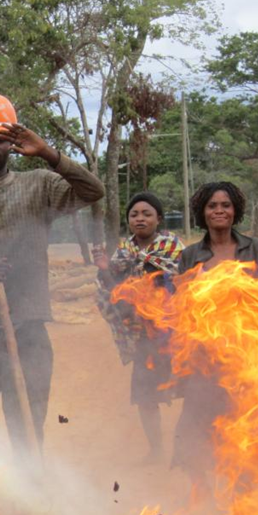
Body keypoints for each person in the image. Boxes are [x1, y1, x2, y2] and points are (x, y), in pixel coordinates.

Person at [0, 93, 105, 452]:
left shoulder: (39, 184)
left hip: (28, 331)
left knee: (27, 430)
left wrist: (47, 153)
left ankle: (29, 503)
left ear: (12, 143)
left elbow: (93, 191)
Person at [172, 181, 258, 484]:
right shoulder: (190, 255)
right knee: (199, 421)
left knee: (247, 417)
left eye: (225, 205)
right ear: (202, 212)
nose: (219, 210)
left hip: (245, 351)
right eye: (212, 206)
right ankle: (203, 488)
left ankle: (244, 487)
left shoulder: (253, 248)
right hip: (203, 354)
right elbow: (180, 302)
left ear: (235, 210)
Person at [93, 192, 184, 461]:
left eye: (146, 214)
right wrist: (104, 268)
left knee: (193, 391)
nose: (140, 218)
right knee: (145, 398)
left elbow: (184, 286)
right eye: (134, 214)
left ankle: (190, 447)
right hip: (143, 337)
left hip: (175, 334)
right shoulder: (123, 253)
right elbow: (115, 295)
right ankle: (156, 450)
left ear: (159, 219)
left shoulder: (174, 248)